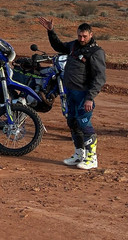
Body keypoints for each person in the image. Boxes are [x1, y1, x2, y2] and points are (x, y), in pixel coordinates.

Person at [37, 15, 106, 170]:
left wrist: (90, 97)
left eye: (84, 36)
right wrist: (51, 31)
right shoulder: (74, 46)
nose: (81, 39)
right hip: (70, 92)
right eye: (79, 35)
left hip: (84, 94)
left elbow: (100, 77)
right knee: (73, 122)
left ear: (91, 35)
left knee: (84, 123)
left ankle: (91, 158)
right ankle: (79, 153)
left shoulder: (96, 52)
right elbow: (59, 47)